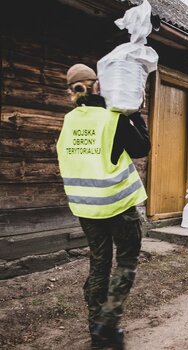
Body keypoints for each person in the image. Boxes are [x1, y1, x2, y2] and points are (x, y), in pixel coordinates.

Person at [56, 63, 150, 349]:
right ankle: (108, 325)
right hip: (118, 206)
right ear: (95, 85)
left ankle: (96, 325)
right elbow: (141, 148)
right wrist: (136, 112)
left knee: (99, 263)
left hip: (86, 208)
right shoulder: (112, 118)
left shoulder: (70, 120)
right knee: (125, 262)